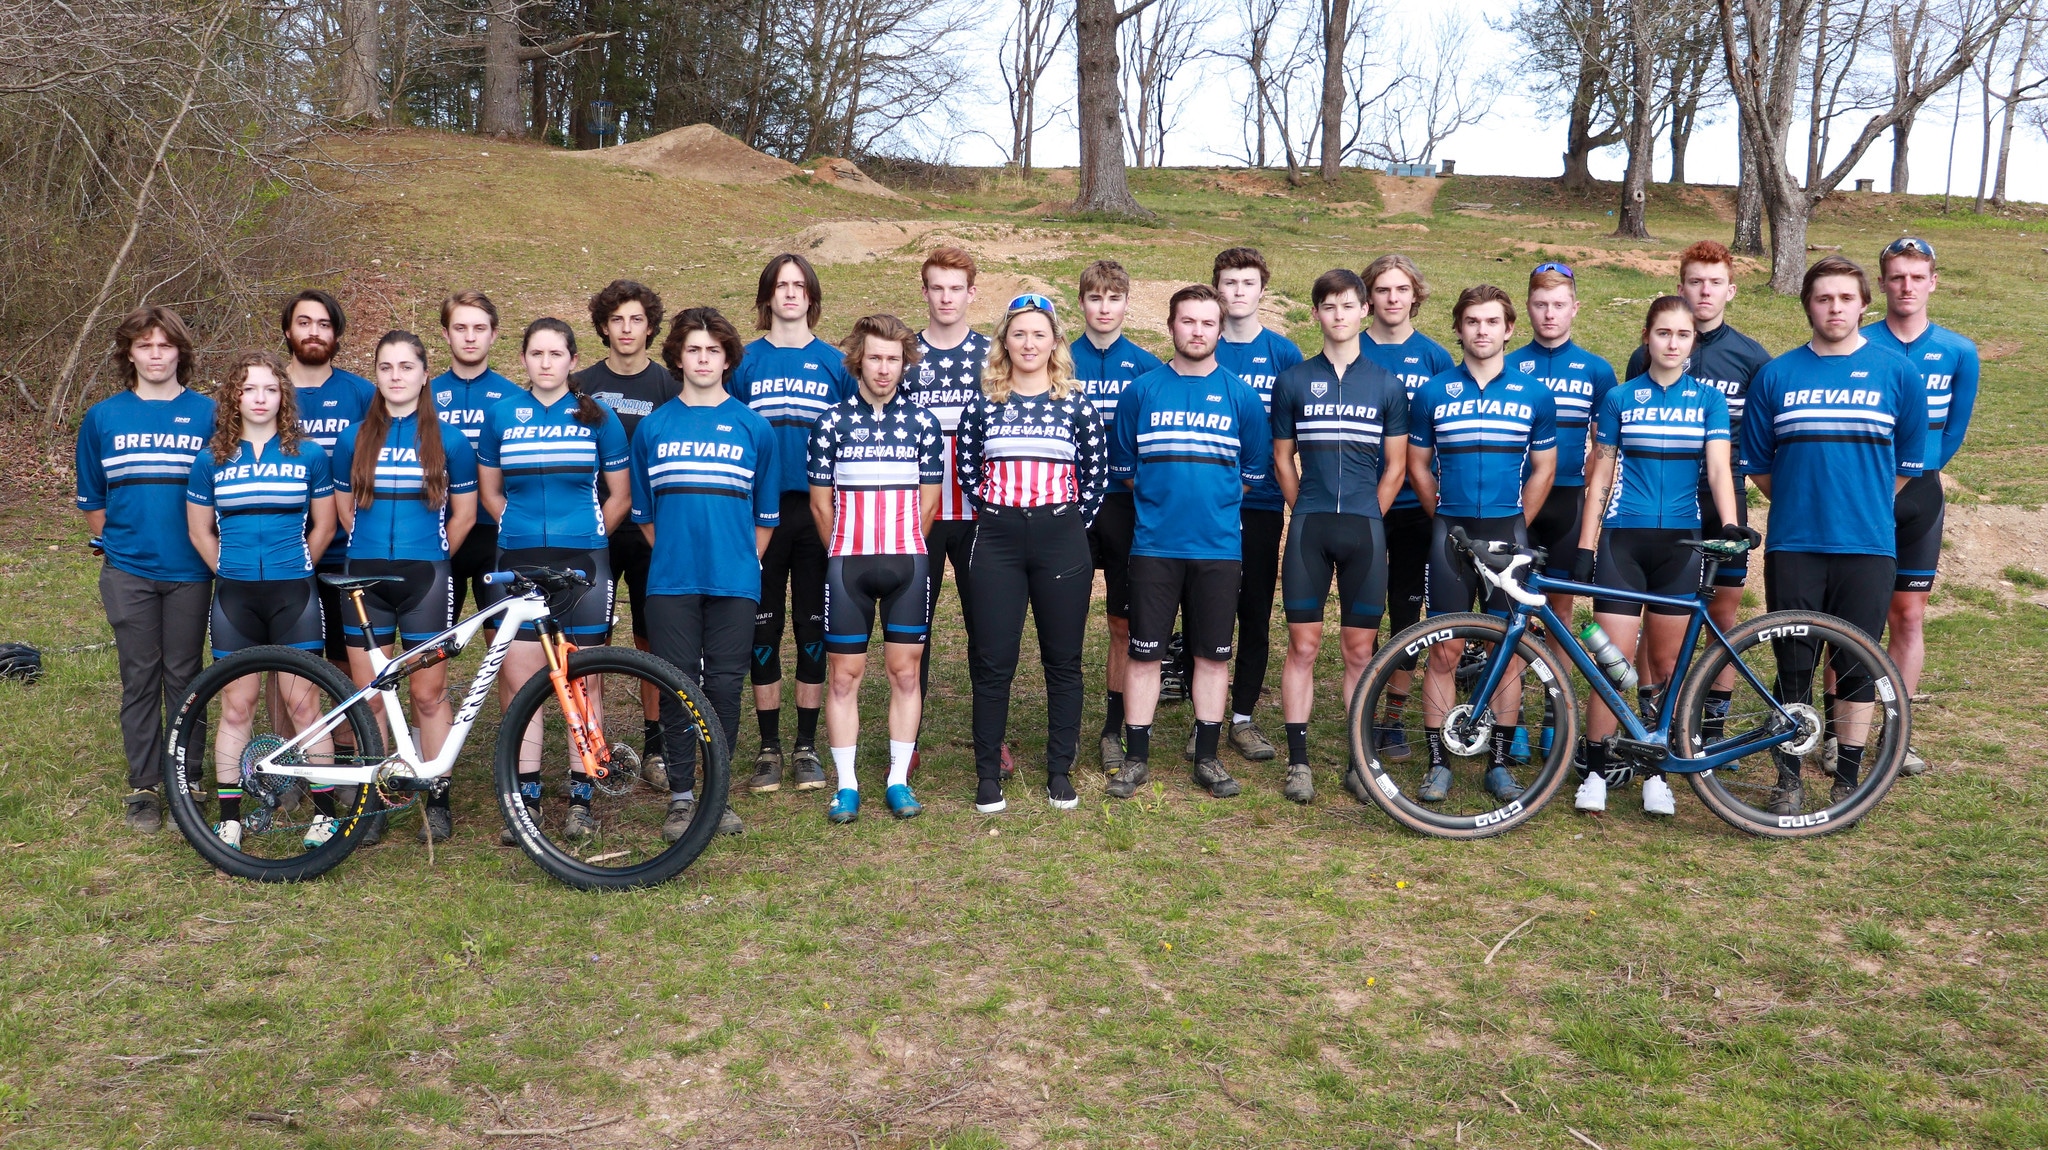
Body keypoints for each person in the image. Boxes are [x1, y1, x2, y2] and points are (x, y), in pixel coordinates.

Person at [1740, 256, 1926, 813]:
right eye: (1824, 298)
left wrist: (1861, 501)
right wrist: (1804, 500)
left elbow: (1906, 464)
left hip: (1868, 544)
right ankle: (1788, 777)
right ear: (1808, 306)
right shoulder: (1776, 375)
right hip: (1795, 542)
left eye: (1846, 298)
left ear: (1863, 302)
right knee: (1793, 661)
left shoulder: (1898, 373)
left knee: (1857, 665)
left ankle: (1848, 778)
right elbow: (1761, 466)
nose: (1835, 308)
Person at [1570, 297, 1742, 817]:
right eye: (1663, 333)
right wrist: (1584, 545)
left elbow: (1717, 470)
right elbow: (1600, 473)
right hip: (1624, 540)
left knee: (1665, 667)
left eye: (1683, 335)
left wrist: (1730, 524)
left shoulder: (1708, 401)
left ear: (1693, 341)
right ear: (1647, 337)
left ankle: (1655, 773)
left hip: (1682, 546)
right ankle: (1596, 770)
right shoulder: (1621, 397)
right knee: (1610, 664)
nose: (1672, 343)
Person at [1106, 284, 1272, 801]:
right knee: (1143, 653)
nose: (1197, 331)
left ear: (1219, 329)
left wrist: (1210, 502)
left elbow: (1251, 472)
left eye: (1207, 323)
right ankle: (1135, 758)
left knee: (1213, 656)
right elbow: (1127, 469)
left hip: (1218, 548)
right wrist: (1165, 500)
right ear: (1171, 326)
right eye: (1188, 322)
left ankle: (1207, 756)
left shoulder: (1241, 396)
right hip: (1154, 544)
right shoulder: (1142, 392)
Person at [477, 318, 630, 845]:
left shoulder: (598, 416)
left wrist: (587, 541)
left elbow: (620, 496)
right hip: (517, 558)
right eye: (536, 354)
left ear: (571, 360)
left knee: (583, 680)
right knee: (521, 681)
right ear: (523, 359)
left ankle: (583, 799)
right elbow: (491, 491)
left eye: (556, 354)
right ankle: (528, 802)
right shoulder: (501, 416)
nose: (546, 363)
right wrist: (516, 533)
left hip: (583, 560)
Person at [954, 294, 1108, 812]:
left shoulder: (1075, 404)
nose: (1028, 343)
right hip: (997, 536)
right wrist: (1005, 515)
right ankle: (987, 776)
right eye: (1018, 333)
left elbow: (1095, 476)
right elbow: (969, 471)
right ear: (1004, 341)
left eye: (1038, 334)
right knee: (994, 661)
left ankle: (1059, 771)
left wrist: (1062, 523)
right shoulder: (984, 402)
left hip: (1060, 537)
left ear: (1054, 343)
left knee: (1063, 661)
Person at [1406, 284, 1557, 806]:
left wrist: (1518, 522)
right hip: (1451, 535)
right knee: (1444, 649)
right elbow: (1418, 466)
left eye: (1492, 322)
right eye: (1472, 321)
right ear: (1459, 328)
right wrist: (1443, 517)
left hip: (1508, 533)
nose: (1482, 330)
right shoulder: (1433, 392)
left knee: (1506, 652)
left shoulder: (1534, 395)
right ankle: (1438, 762)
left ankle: (1497, 763)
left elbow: (1544, 469)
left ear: (1509, 329)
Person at [184, 350, 340, 850]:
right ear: (235, 396)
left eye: (270, 390)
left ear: (282, 398)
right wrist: (227, 572)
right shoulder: (211, 460)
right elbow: (200, 530)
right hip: (235, 597)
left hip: (293, 592)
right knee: (237, 707)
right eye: (250, 389)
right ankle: (230, 812)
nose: (260, 398)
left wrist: (296, 566)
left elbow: (325, 525)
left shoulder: (309, 455)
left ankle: (323, 812)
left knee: (304, 706)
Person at [632, 307, 778, 840]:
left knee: (723, 685)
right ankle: (680, 796)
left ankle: (716, 795)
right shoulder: (653, 427)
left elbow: (765, 516)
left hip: (735, 580)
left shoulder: (752, 427)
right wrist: (677, 551)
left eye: (713, 350)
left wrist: (743, 558)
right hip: (671, 581)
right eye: (693, 349)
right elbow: (645, 515)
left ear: (727, 358)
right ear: (677, 356)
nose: (703, 359)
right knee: (676, 684)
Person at [332, 331, 479, 844]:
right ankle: (373, 803)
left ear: (423, 374)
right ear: (377, 375)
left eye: (405, 366)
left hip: (426, 578)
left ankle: (436, 797)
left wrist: (434, 556)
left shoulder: (451, 441)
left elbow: (464, 516)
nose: (396, 375)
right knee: (370, 697)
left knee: (428, 696)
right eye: (386, 367)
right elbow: (344, 510)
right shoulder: (353, 439)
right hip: (363, 580)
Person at [1270, 269, 1409, 805]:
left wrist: (1364, 515)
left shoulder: (1385, 383)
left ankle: (1359, 759)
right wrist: (1303, 506)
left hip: (1364, 529)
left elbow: (1395, 468)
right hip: (1309, 526)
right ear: (1316, 315)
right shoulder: (1295, 379)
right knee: (1302, 646)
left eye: (1348, 306)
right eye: (1328, 307)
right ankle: (1299, 761)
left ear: (1364, 312)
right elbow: (1282, 458)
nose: (1339, 315)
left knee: (1359, 650)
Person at [76, 305, 217, 832]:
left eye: (165, 345)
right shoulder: (104, 417)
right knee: (139, 675)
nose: (156, 355)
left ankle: (187, 778)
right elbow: (93, 495)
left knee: (186, 673)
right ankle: (144, 787)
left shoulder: (208, 413)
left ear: (180, 351)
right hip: (129, 569)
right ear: (128, 353)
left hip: (191, 570)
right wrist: (115, 541)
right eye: (144, 346)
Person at [1625, 241, 1771, 743]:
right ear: (1680, 285)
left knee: (1723, 615)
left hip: (1722, 499)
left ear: (1730, 289)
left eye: (1714, 282)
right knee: (1654, 609)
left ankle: (1712, 726)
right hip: (1661, 504)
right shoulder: (1644, 356)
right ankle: (1653, 715)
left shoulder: (1752, 357)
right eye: (1694, 281)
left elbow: (1761, 438)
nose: (1704, 291)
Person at [806, 314, 945, 822]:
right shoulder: (830, 423)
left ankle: (897, 780)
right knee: (844, 676)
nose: (883, 368)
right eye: (875, 358)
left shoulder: (924, 424)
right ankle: (846, 785)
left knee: (905, 674)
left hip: (908, 561)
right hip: (847, 565)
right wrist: (847, 549)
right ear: (857, 360)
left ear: (905, 364)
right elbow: (821, 508)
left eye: (893, 359)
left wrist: (898, 544)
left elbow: (930, 508)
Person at [733, 254, 856, 792]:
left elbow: (854, 436)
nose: (789, 293)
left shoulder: (834, 362)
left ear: (811, 296)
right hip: (759, 515)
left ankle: (807, 746)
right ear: (767, 296)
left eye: (798, 285)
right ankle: (768, 747)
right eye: (780, 285)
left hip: (817, 511)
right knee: (763, 625)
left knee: (812, 625)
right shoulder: (742, 362)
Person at [1863, 236, 1979, 777]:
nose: (1906, 286)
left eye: (1917, 276)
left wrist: (1919, 474)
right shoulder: (1857, 343)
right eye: (1897, 276)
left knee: (1907, 615)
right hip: (1861, 492)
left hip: (1922, 495)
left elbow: (1952, 433)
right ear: (1882, 283)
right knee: (1853, 617)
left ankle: (1896, 736)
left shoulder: (1958, 351)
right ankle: (1845, 731)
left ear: (1933, 281)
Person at [571, 281, 681, 779]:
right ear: (603, 327)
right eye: (617, 320)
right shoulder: (580, 385)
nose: (627, 329)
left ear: (651, 326)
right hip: (592, 531)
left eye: (636, 319)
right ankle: (591, 745)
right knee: (589, 643)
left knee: (649, 639)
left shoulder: (669, 388)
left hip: (650, 533)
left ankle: (655, 747)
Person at [1354, 254, 1456, 764]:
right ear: (1368, 297)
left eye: (1401, 289)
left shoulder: (1436, 358)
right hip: (1363, 503)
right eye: (1382, 289)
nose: (1392, 299)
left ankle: (1393, 720)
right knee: (1364, 611)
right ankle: (1363, 715)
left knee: (1406, 612)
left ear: (1416, 295)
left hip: (1418, 505)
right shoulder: (1351, 350)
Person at [1210, 247, 1305, 764]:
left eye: (1248, 282)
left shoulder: (1284, 354)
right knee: (1209, 610)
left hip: (1263, 502)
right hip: (1206, 504)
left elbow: (1296, 433)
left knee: (1253, 611)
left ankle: (1242, 718)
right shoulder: (1201, 343)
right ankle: (1206, 714)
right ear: (1217, 289)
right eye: (1229, 282)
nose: (1239, 291)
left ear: (1262, 291)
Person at [1070, 259, 1163, 775]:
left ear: (1128, 303)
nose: (1104, 308)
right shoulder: (1060, 360)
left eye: (1113, 298)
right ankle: (1064, 723)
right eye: (1094, 298)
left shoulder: (1147, 368)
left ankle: (1113, 727)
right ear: (1081, 302)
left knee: (1123, 624)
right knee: (1065, 623)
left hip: (1127, 506)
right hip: (1071, 507)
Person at [905, 248, 991, 737]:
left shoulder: (990, 355)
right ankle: (907, 740)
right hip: (920, 517)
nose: (946, 297)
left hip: (980, 515)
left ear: (971, 294)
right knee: (915, 633)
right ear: (925, 292)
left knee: (987, 632)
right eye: (937, 287)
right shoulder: (906, 354)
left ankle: (989, 736)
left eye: (955, 288)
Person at [1506, 262, 1617, 635]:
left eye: (1558, 304)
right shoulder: (1507, 366)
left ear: (1575, 307)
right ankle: (1511, 693)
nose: (1549, 313)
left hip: (1568, 501)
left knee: (1560, 614)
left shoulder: (1596, 370)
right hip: (1516, 497)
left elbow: (1603, 450)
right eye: (1540, 304)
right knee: (1511, 608)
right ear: (1528, 306)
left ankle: (1560, 694)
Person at [280, 289, 377, 676]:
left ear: (336, 334)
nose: (314, 332)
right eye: (304, 323)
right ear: (287, 330)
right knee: (286, 661)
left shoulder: (362, 394)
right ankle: (292, 738)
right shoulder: (265, 391)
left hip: (345, 550)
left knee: (346, 656)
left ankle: (349, 737)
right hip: (280, 549)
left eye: (324, 324)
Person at [431, 290, 520, 618]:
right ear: (445, 333)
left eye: (479, 329)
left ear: (494, 334)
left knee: (505, 644)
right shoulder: (424, 395)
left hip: (494, 532)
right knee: (434, 642)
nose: (470, 338)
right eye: (460, 328)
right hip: (439, 528)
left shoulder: (514, 398)